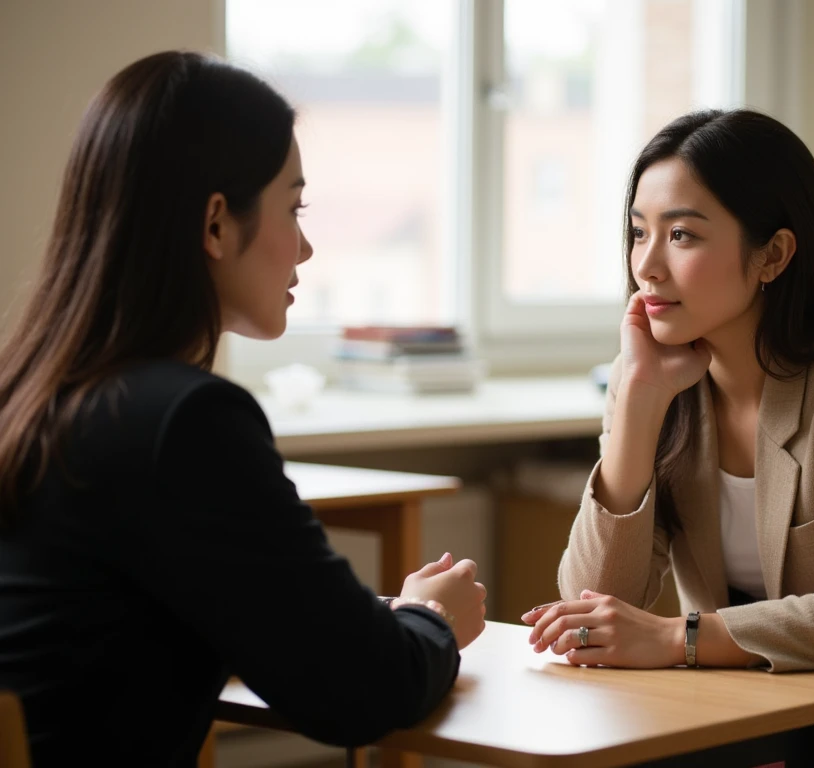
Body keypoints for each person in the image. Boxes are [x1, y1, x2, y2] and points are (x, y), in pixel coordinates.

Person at [0, 51, 486, 766]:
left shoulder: (33, 398)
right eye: (294, 207)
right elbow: (363, 691)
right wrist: (431, 617)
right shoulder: (183, 424)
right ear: (218, 225)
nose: (306, 245)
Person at [522, 109, 814, 768]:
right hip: (744, 715)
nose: (648, 267)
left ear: (773, 254)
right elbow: (592, 606)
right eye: (638, 234)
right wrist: (633, 416)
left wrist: (678, 638)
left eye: (682, 235)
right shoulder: (656, 381)